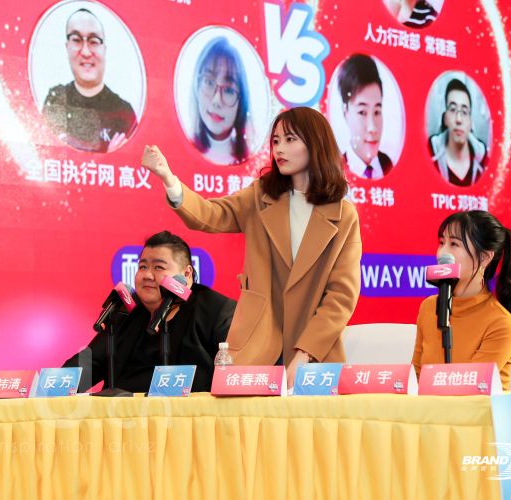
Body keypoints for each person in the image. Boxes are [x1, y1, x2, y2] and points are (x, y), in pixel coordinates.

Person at [142, 107, 362, 388]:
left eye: (290, 140)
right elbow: (211, 214)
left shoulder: (344, 215)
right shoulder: (260, 196)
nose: (279, 149)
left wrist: (306, 352)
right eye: (276, 141)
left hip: (315, 350)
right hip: (257, 343)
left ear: (316, 143)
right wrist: (168, 179)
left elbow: (341, 295)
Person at [63, 231, 236, 393]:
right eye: (143, 267)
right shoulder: (124, 313)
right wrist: (56, 387)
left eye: (158, 267)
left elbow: (235, 374)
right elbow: (89, 363)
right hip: (121, 413)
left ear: (186, 274)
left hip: (189, 414)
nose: (147, 275)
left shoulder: (215, 310)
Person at [411, 211, 511, 390]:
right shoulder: (429, 307)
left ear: (484, 257)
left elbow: (470, 389)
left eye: (454, 244)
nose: (442, 253)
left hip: (477, 408)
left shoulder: (501, 323)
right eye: (441, 243)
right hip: (430, 407)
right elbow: (415, 378)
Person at [42, 8, 137, 153]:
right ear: (67, 47)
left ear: (104, 49)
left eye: (94, 41)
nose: (86, 52)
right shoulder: (55, 99)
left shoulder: (123, 112)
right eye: (76, 40)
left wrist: (116, 157)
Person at [189, 36, 250, 165]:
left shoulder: (251, 161)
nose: (216, 101)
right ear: (197, 85)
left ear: (241, 102)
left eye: (228, 90)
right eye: (209, 82)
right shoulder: (180, 149)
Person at [337, 54, 393, 180]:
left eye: (377, 112)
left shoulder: (390, 165)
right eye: (362, 112)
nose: (372, 128)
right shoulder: (334, 170)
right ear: (346, 113)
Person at [428, 78, 488, 186]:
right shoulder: (431, 153)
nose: (459, 119)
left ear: (470, 122)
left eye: (464, 112)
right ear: (445, 118)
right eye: (452, 109)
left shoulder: (484, 161)